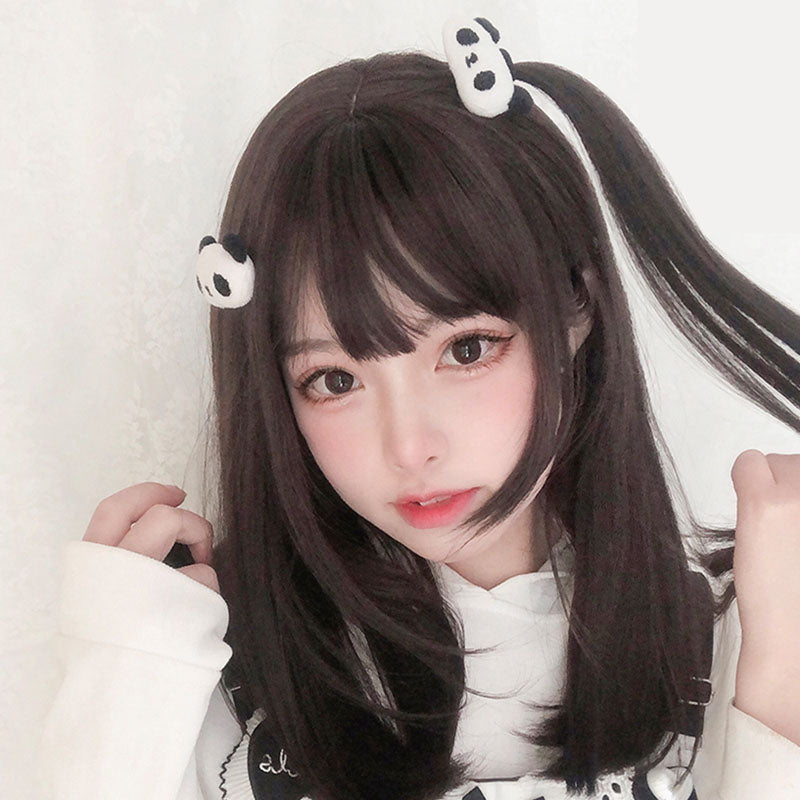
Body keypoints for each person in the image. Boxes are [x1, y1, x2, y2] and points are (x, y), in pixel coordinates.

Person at [38, 14, 800, 800]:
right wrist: (118, 680)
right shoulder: (196, 661)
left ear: (576, 308)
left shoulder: (738, 638)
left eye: (465, 350)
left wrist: (781, 680)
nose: (409, 447)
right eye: (334, 380)